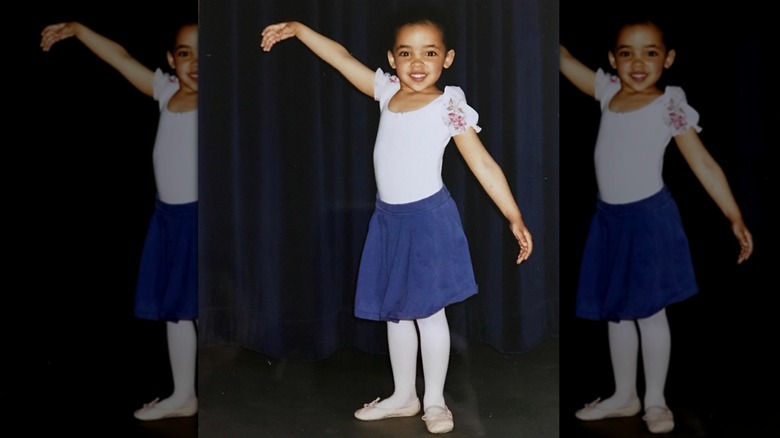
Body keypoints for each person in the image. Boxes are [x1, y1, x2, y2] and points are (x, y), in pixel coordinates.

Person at [261, 10, 533, 435]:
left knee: (429, 314)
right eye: (406, 53)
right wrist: (298, 30)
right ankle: (404, 395)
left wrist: (513, 214)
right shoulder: (386, 92)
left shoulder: (449, 105)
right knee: (396, 314)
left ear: (448, 59)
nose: (418, 62)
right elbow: (340, 57)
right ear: (391, 59)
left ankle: (436, 401)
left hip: (428, 220)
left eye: (430, 52)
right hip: (389, 221)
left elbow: (481, 161)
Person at [559, 18, 753, 434]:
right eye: (627, 53)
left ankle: (655, 400)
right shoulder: (607, 91)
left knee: (649, 313)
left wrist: (733, 215)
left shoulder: (669, 106)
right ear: (613, 60)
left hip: (648, 221)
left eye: (650, 52)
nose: (638, 62)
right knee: (616, 313)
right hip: (610, 222)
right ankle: (624, 395)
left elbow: (702, 163)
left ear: (668, 59)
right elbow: (564, 59)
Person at [41, 20, 199, 421]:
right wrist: (78, 30)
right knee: (176, 311)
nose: (195, 62)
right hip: (169, 220)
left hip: (199, 221)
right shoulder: (165, 92)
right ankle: (183, 395)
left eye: (204, 54)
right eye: (185, 54)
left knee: (199, 307)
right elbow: (121, 58)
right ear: (171, 60)